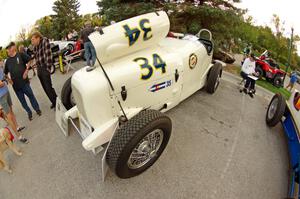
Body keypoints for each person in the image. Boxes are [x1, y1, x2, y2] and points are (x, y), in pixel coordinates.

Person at [5, 42, 41, 121]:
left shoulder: (20, 54)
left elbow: (30, 60)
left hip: (24, 83)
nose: (7, 51)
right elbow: (5, 73)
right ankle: (29, 112)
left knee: (31, 96)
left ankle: (37, 109)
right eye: (7, 49)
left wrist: (26, 71)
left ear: (12, 48)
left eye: (8, 49)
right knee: (23, 102)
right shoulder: (7, 61)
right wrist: (9, 80)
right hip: (16, 86)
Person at [0, 58, 28, 143]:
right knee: (9, 116)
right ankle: (19, 137)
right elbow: (0, 83)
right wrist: (4, 82)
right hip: (1, 96)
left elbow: (3, 76)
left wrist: (8, 79)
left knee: (12, 112)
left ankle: (17, 127)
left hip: (6, 92)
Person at [31, 31, 57, 109]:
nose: (32, 41)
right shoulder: (35, 46)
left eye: (33, 39)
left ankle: (57, 102)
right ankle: (53, 101)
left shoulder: (45, 41)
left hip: (45, 67)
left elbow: (48, 55)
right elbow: (35, 56)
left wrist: (48, 69)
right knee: (45, 88)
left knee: (49, 87)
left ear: (38, 37)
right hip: (39, 68)